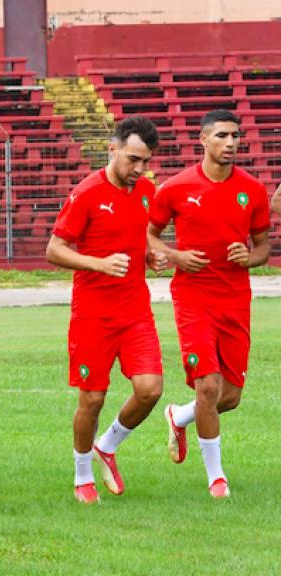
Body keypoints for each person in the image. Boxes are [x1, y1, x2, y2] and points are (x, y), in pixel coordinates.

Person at [148, 109, 271, 499]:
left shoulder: (252, 190)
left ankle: (178, 415)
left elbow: (264, 247)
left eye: (236, 136)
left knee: (228, 397)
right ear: (203, 139)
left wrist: (249, 257)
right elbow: (149, 235)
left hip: (235, 300)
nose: (231, 142)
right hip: (193, 297)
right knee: (207, 386)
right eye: (222, 136)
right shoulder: (175, 188)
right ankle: (217, 478)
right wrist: (175, 255)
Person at [45, 116, 164, 504]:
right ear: (112, 150)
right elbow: (54, 250)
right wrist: (98, 263)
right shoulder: (86, 193)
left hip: (135, 311)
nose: (139, 169)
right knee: (92, 400)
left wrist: (150, 254)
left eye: (145, 161)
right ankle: (82, 476)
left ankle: (108, 445)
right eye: (133, 159)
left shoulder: (146, 191)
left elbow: (140, 234)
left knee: (150, 390)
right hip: (93, 315)